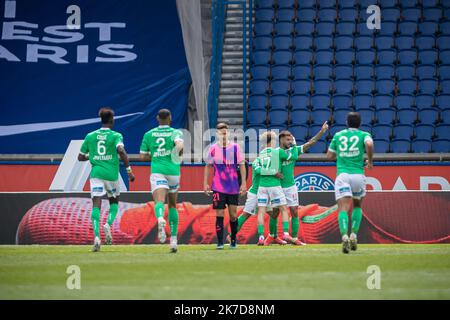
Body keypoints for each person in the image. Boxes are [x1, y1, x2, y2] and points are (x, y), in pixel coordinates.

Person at [78, 107, 135, 252]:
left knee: (96, 204)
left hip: (96, 174)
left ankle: (96, 237)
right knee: (114, 202)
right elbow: (121, 150)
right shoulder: (116, 135)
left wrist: (92, 157)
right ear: (111, 120)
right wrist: (129, 171)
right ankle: (108, 225)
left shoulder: (90, 136)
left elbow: (80, 157)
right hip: (111, 175)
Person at [268, 122, 329, 246]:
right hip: (278, 187)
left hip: (291, 187)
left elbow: (310, 143)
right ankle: (272, 237)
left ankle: (294, 238)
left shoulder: (294, 150)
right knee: (275, 213)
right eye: (287, 140)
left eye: (291, 139)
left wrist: (321, 132)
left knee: (294, 211)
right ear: (281, 140)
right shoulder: (276, 152)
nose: (290, 141)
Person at [326, 112, 374, 254]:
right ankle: (353, 234)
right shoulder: (364, 134)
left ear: (347, 122)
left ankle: (344, 236)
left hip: (343, 175)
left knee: (343, 207)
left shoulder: (339, 135)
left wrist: (340, 154)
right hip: (358, 175)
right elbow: (369, 144)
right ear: (360, 123)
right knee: (357, 204)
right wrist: (370, 161)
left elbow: (329, 156)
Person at [140, 109, 184, 253]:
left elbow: (143, 157)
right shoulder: (175, 132)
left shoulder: (149, 134)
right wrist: (174, 155)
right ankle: (173, 240)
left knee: (159, 201)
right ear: (170, 118)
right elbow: (180, 145)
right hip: (173, 171)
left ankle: (159, 218)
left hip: (158, 171)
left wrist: (156, 156)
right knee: (172, 205)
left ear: (157, 118)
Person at [204, 122, 247, 249]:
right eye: (221, 132)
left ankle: (233, 240)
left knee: (233, 215)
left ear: (228, 133)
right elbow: (208, 166)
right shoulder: (212, 149)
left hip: (233, 187)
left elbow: (242, 165)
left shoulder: (235, 148)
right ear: (217, 134)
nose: (223, 135)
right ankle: (220, 242)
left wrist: (243, 183)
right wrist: (205, 183)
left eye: (225, 132)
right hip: (218, 187)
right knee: (220, 214)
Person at [254, 131, 291, 246]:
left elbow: (257, 169)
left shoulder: (260, 155)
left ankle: (261, 237)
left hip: (262, 186)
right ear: (273, 141)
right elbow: (289, 155)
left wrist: (269, 172)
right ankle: (285, 233)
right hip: (274, 185)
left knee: (261, 211)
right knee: (284, 209)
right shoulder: (278, 151)